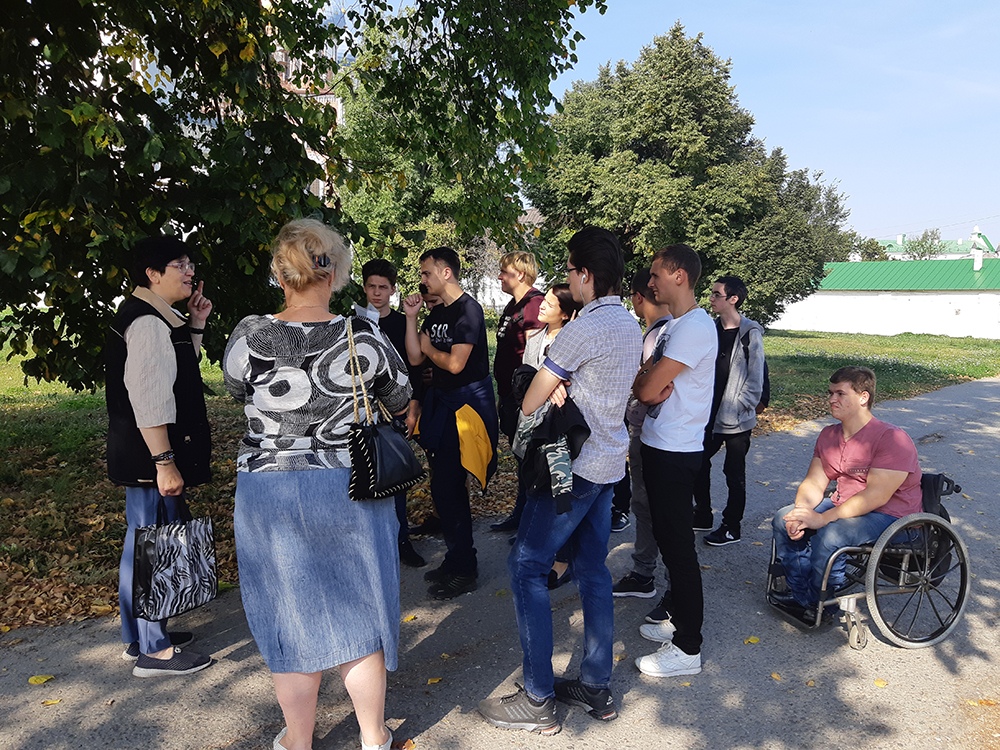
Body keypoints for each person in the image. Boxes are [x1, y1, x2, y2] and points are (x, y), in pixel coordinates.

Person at [224, 219, 410, 750]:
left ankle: (298, 740)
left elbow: (236, 387)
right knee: (361, 608)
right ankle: (373, 737)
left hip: (269, 492)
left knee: (287, 616)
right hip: (348, 485)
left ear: (280, 274)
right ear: (334, 274)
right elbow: (399, 398)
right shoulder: (363, 335)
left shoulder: (250, 334)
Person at [478, 227, 642, 735]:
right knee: (592, 570)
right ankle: (595, 684)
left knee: (526, 566)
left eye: (570, 271)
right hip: (609, 462)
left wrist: (549, 383)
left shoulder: (581, 328)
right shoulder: (629, 324)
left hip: (571, 468)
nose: (567, 280)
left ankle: (537, 697)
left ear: (586, 274)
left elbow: (530, 400)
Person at [105, 235, 213, 678]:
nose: (189, 271)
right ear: (153, 274)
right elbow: (150, 400)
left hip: (141, 456)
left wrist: (196, 325)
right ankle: (155, 650)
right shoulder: (148, 323)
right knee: (153, 545)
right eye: (179, 265)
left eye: (189, 263)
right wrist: (165, 463)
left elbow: (176, 375)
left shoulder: (152, 316)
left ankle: (138, 636)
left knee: (141, 541)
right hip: (150, 458)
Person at [768, 366, 922, 624]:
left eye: (840, 393)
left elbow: (876, 496)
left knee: (832, 534)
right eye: (830, 393)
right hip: (846, 505)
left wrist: (823, 518)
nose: (832, 399)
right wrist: (802, 511)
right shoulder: (829, 435)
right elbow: (814, 482)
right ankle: (803, 595)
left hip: (891, 515)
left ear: (863, 397)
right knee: (784, 518)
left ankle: (821, 601)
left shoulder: (893, 438)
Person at [631, 244, 717, 678]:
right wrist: (647, 383)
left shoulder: (695, 327)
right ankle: (679, 618)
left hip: (676, 450)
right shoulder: (673, 327)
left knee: (679, 548)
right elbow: (642, 383)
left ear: (679, 276)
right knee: (667, 541)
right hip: (658, 443)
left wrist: (648, 384)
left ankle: (688, 648)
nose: (650, 283)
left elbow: (648, 390)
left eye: (656, 275)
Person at [403, 247, 499, 600]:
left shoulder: (468, 310)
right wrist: (411, 318)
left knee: (453, 487)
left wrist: (429, 349)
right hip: (441, 407)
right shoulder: (438, 312)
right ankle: (456, 558)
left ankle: (465, 568)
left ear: (446, 273)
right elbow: (415, 356)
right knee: (443, 488)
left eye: (426, 273)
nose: (422, 279)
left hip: (466, 410)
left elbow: (456, 364)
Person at [611, 268, 674, 622]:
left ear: (637, 298)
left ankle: (666, 585)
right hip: (647, 431)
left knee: (659, 511)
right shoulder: (657, 332)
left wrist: (638, 386)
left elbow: (651, 390)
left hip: (657, 436)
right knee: (645, 505)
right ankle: (643, 572)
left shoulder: (662, 335)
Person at [361, 258, 426, 568]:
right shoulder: (352, 323)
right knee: (365, 477)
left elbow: (416, 369)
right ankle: (371, 543)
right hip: (362, 413)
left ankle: (402, 541)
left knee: (396, 476)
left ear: (392, 290)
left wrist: (413, 408)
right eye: (371, 286)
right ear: (364, 288)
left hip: (396, 411)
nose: (377, 293)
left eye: (383, 287)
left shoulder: (402, 324)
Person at [519, 283, 583, 589]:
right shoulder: (533, 338)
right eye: (543, 300)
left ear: (566, 314)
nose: (542, 306)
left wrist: (552, 385)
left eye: (550, 303)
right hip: (533, 423)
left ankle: (563, 559)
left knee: (559, 489)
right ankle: (538, 544)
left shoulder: (573, 340)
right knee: (534, 483)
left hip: (558, 427)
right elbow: (523, 377)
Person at [694, 275, 765, 546]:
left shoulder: (750, 333)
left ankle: (731, 526)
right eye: (711, 293)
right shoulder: (710, 329)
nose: (711, 298)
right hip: (708, 415)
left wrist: (741, 405)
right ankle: (703, 514)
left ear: (733, 299)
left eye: (717, 294)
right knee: (698, 462)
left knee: (733, 474)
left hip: (737, 418)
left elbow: (756, 376)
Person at [491, 251, 544, 533]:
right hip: (510, 396)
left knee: (531, 462)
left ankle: (532, 524)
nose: (499, 276)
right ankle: (521, 515)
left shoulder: (534, 305)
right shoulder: (514, 305)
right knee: (521, 460)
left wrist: (527, 401)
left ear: (520, 274)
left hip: (526, 400)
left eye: (504, 271)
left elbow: (535, 358)